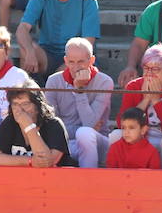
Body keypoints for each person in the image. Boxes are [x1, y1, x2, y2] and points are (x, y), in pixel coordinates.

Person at [16, 0, 100, 81]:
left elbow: (88, 43)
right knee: (26, 49)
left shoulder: (88, 1)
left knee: (78, 61)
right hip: (47, 55)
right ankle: (28, 95)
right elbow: (22, 29)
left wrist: (65, 68)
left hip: (76, 57)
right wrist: (30, 52)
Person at [110, 44, 162, 167]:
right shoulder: (133, 86)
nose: (149, 74)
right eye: (146, 68)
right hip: (138, 135)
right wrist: (146, 99)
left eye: (156, 69)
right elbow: (121, 122)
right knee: (116, 134)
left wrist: (156, 101)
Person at [43, 37, 112, 168]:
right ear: (65, 61)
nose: (75, 68)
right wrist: (76, 129)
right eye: (71, 62)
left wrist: (79, 90)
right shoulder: (53, 81)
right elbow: (51, 126)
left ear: (91, 60)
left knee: (84, 134)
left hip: (97, 142)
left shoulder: (105, 82)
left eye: (81, 62)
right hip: (64, 142)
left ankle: (88, 179)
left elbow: (89, 125)